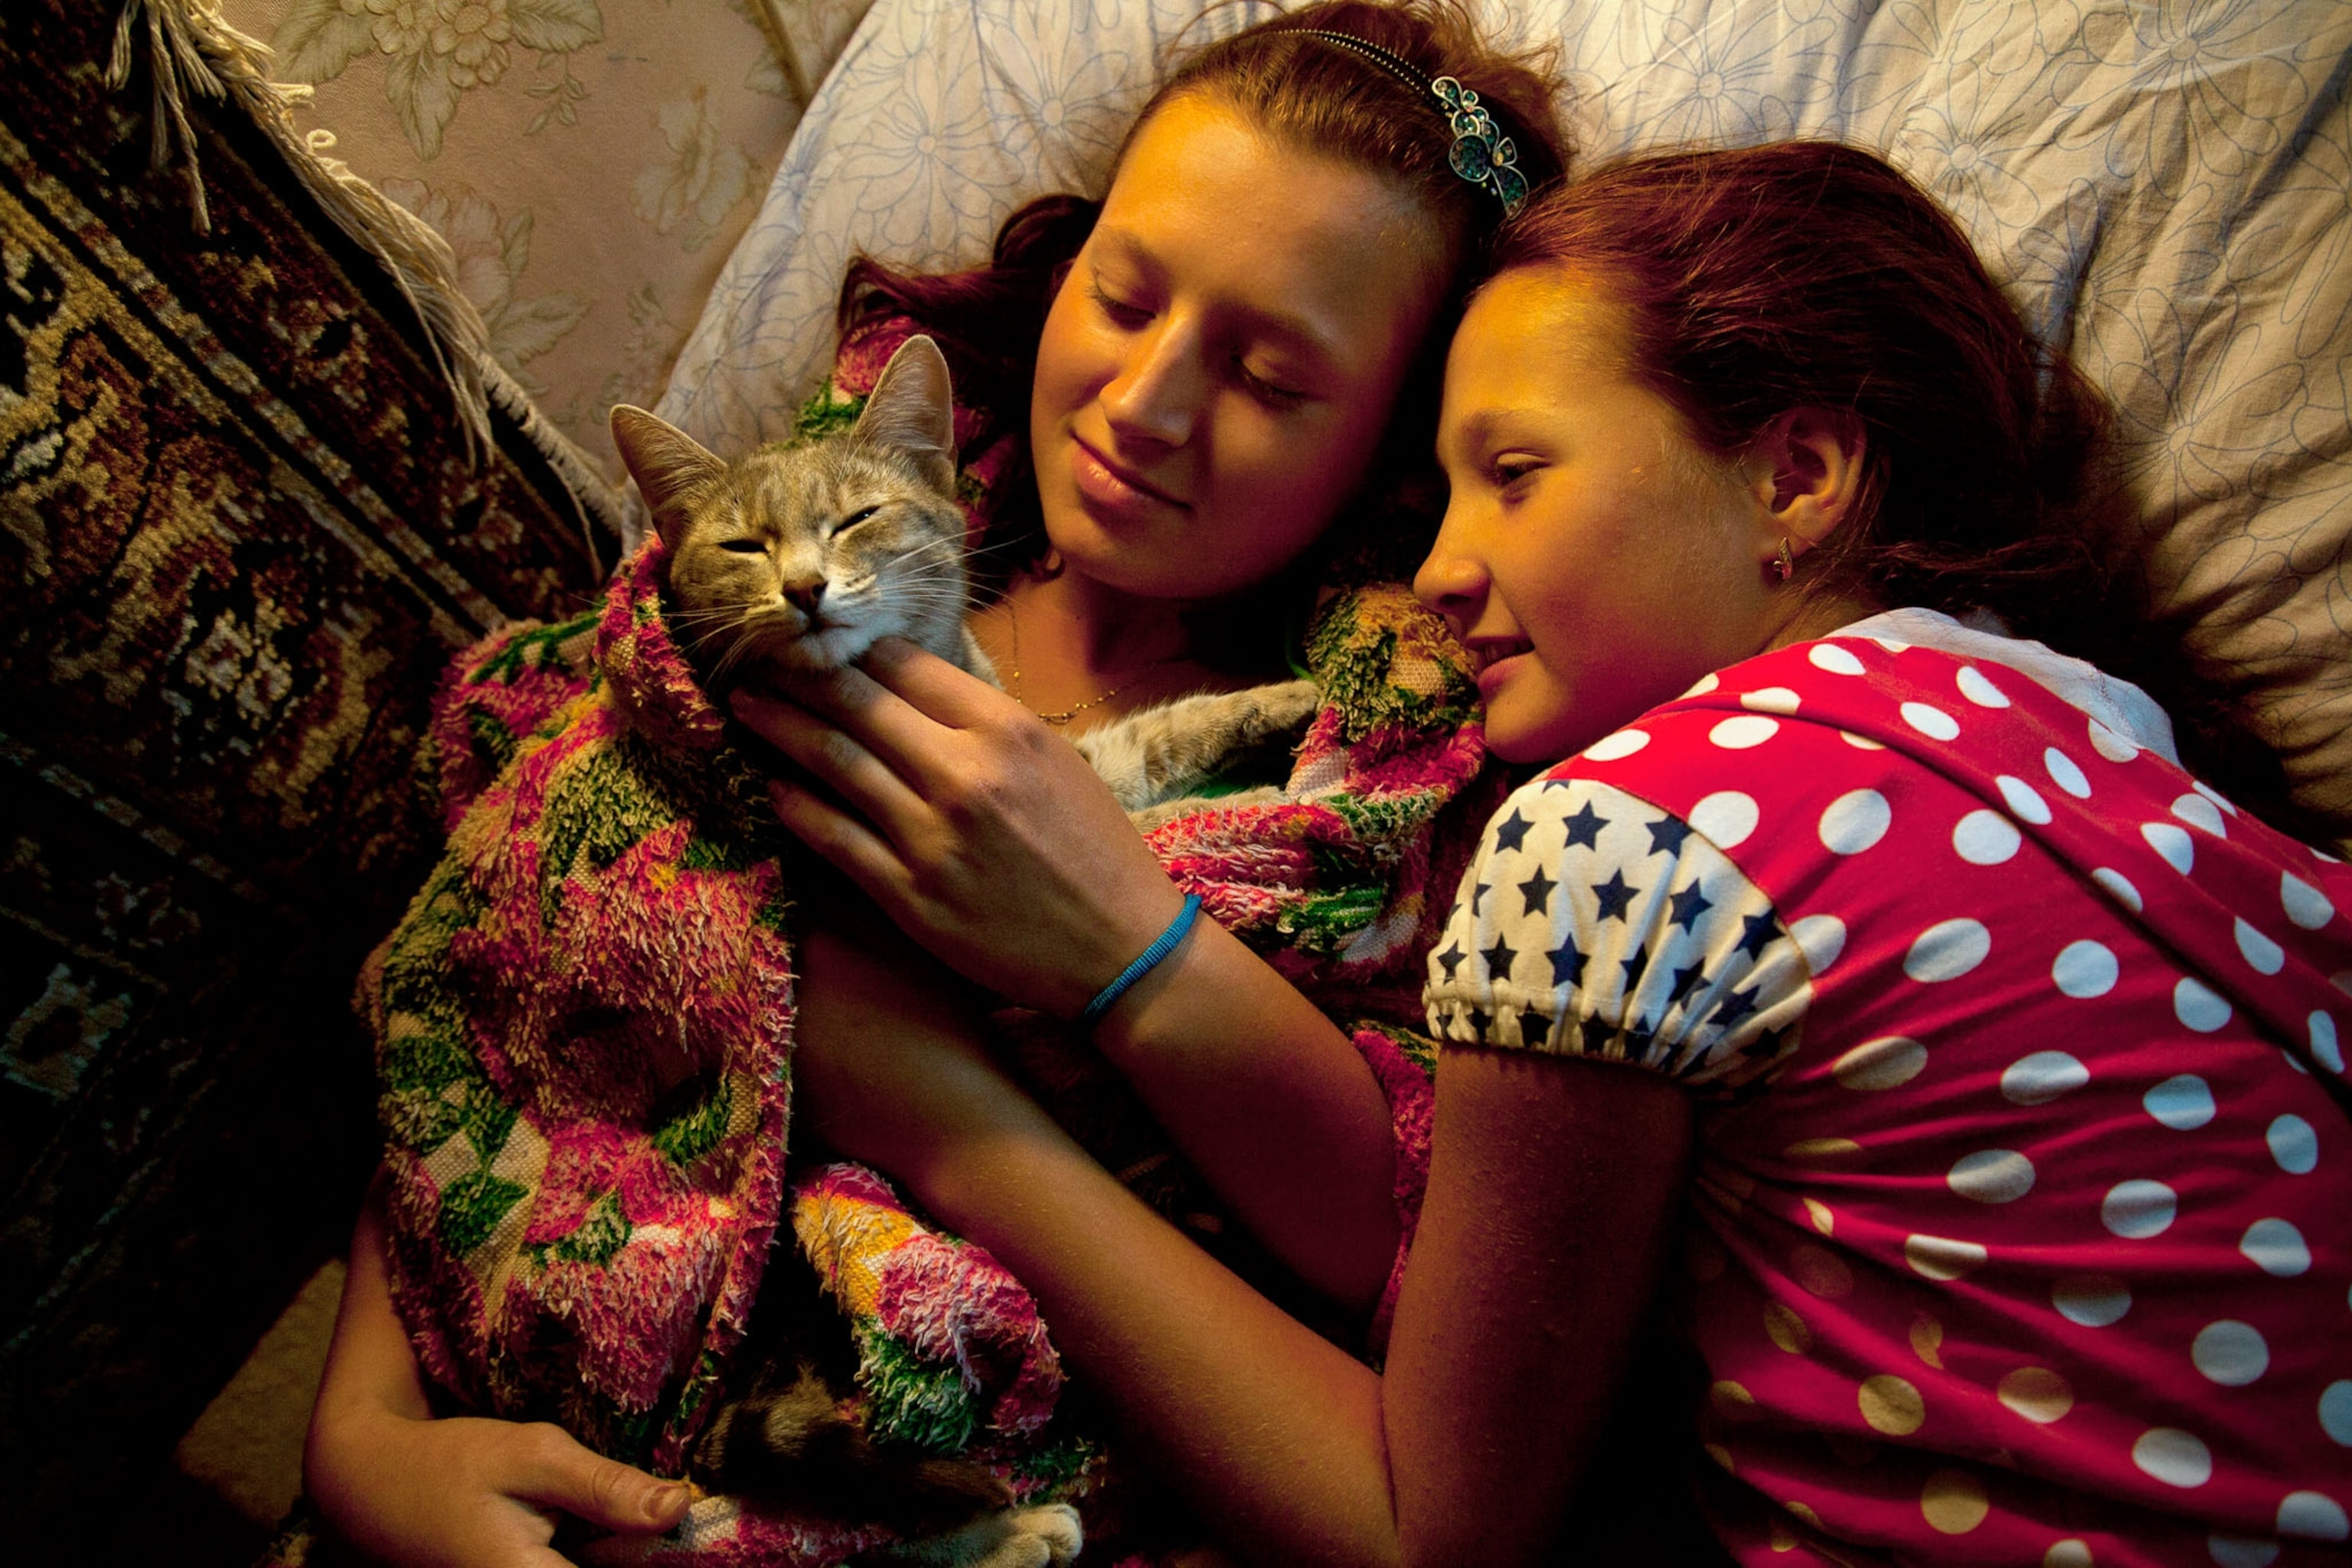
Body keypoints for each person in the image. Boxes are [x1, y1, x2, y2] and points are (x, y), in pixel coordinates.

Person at [746, 142, 2352, 1565]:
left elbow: (1422, 1522)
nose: (1441, 572)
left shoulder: (1622, 839)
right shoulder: (2101, 727)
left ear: (1795, 477)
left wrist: (954, 1125)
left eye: (1512, 476)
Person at [300, 5, 1570, 1565]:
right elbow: (511, 977)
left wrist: (1094, 981)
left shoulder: (1397, 780)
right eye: (1124, 293)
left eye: (1271, 373)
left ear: (1396, 442)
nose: (1144, 406)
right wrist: (365, 1438)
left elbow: (1420, 1313)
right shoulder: (797, 555)